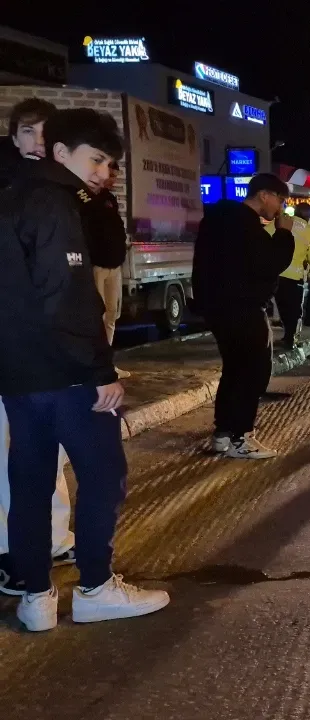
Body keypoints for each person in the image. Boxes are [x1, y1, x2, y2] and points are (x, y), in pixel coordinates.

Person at [0, 108, 169, 631]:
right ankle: (96, 587)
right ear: (60, 152)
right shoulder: (55, 203)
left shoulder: (13, 195)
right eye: (96, 159)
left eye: (109, 164)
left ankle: (36, 599)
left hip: (18, 374)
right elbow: (66, 297)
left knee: (29, 484)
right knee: (102, 476)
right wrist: (100, 371)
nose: (103, 172)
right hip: (67, 375)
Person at [0, 99, 77, 597]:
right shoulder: (9, 190)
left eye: (46, 134)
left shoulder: (61, 190)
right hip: (12, 344)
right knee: (9, 453)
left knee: (44, 451)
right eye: (28, 132)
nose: (38, 143)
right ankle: (12, 555)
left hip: (44, 349)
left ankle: (53, 539)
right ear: (14, 137)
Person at [192, 174, 296, 460]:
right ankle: (242, 437)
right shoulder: (247, 226)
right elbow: (269, 263)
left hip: (217, 308)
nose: (280, 208)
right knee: (253, 372)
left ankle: (223, 433)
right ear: (264, 195)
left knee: (234, 369)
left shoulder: (218, 220)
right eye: (279, 200)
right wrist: (284, 233)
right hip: (244, 308)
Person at [84, 159, 130, 378]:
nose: (113, 181)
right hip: (97, 266)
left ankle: (107, 363)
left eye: (115, 177)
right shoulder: (87, 198)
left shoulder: (110, 199)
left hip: (114, 266)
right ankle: (95, 366)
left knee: (112, 314)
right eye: (111, 176)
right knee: (97, 316)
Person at [275, 203, 310, 351]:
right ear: (309, 215)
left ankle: (287, 336)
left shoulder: (281, 223)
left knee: (282, 306)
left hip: (276, 273)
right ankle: (291, 338)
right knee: (294, 310)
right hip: (295, 276)